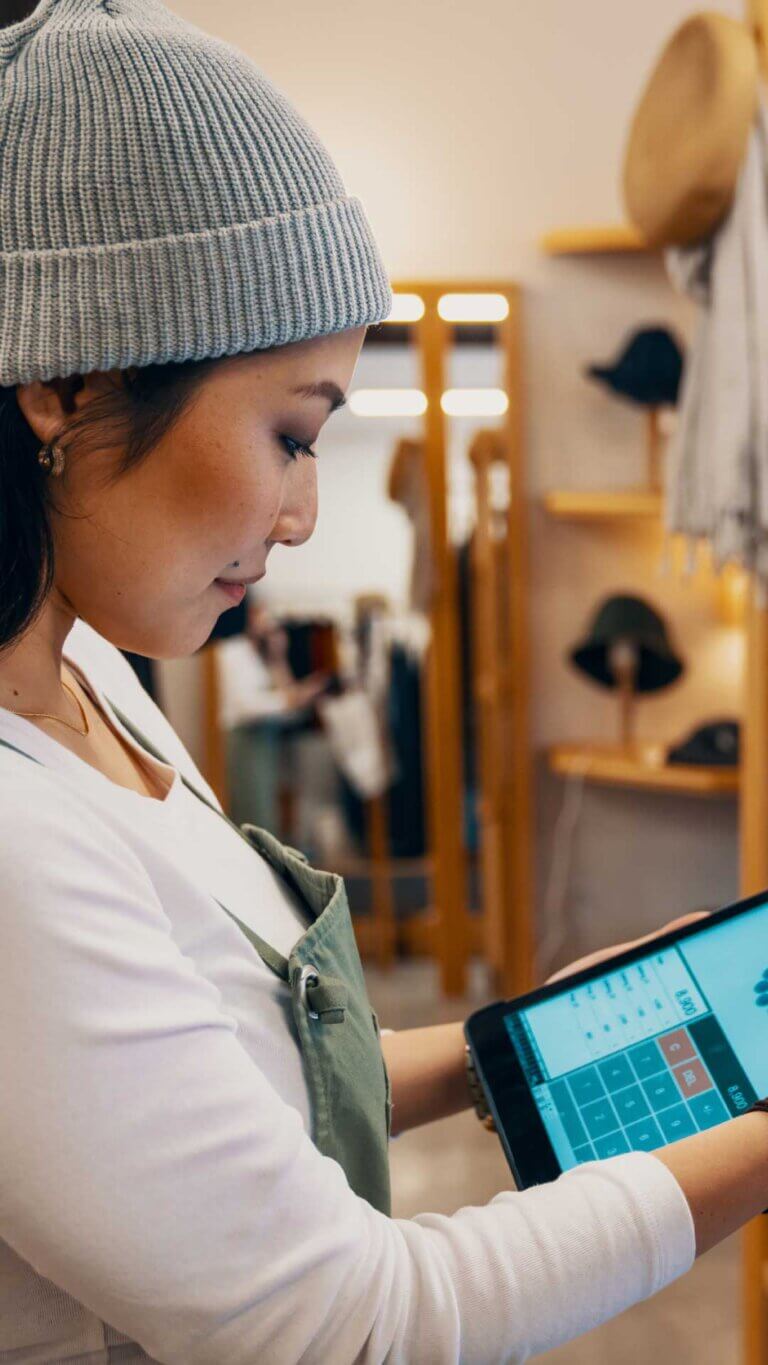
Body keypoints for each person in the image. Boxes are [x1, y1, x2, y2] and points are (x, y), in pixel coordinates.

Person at [0, 2, 766, 1362]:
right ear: (67, 379)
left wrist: (513, 1044)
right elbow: (354, 1319)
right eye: (294, 434)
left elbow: (222, 1075)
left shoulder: (100, 678)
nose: (301, 518)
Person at [217, 601, 329, 832]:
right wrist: (288, 700)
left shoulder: (261, 653)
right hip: (245, 735)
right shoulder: (233, 650)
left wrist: (278, 656)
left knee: (268, 810)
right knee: (254, 812)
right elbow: (246, 704)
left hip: (265, 736)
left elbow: (286, 693)